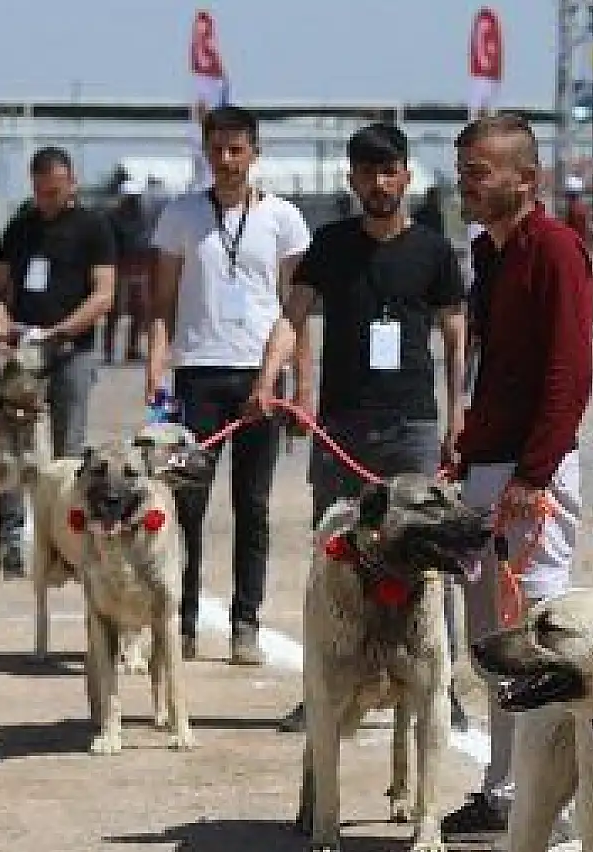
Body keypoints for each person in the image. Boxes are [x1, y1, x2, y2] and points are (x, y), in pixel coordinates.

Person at [246, 122, 471, 732]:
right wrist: (271, 380)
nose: (379, 182)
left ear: (405, 174)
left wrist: (457, 418)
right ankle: (324, 686)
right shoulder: (331, 247)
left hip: (413, 426)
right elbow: (292, 318)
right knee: (336, 554)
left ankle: (441, 691)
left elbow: (455, 338)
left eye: (389, 169)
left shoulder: (432, 251)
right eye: (367, 172)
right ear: (352, 180)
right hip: (341, 428)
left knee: (428, 557)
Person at [438, 113, 593, 852]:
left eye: (479, 172)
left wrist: (534, 477)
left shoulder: (555, 250)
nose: (466, 183)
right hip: (488, 467)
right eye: (462, 169)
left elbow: (569, 373)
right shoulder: (488, 255)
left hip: (534, 474)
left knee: (539, 640)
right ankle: (504, 794)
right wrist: (464, 455)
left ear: (523, 180)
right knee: (492, 642)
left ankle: (559, 813)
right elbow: (494, 374)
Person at [147, 105, 312, 665]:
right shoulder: (181, 217)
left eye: (236, 150)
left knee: (254, 505)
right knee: (187, 503)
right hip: (197, 374)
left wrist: (300, 384)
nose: (225, 160)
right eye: (216, 149)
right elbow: (162, 302)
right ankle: (184, 621)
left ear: (254, 153)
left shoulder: (285, 221)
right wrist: (156, 364)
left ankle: (246, 622)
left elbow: (297, 309)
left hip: (261, 378)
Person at [0, 146, 117, 576]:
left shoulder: (92, 228)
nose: (49, 200)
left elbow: (103, 295)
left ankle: (69, 541)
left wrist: (63, 331)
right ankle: (11, 540)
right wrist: (5, 327)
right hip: (27, 355)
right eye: (42, 192)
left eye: (56, 192)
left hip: (71, 350)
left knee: (68, 451)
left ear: (72, 185)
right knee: (13, 447)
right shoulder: (21, 228)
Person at [105, 179, 153, 363]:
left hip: (140, 266)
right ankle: (108, 350)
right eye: (130, 198)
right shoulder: (112, 218)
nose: (133, 202)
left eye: (135, 198)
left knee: (139, 309)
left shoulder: (143, 217)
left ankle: (132, 349)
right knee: (115, 310)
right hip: (119, 267)